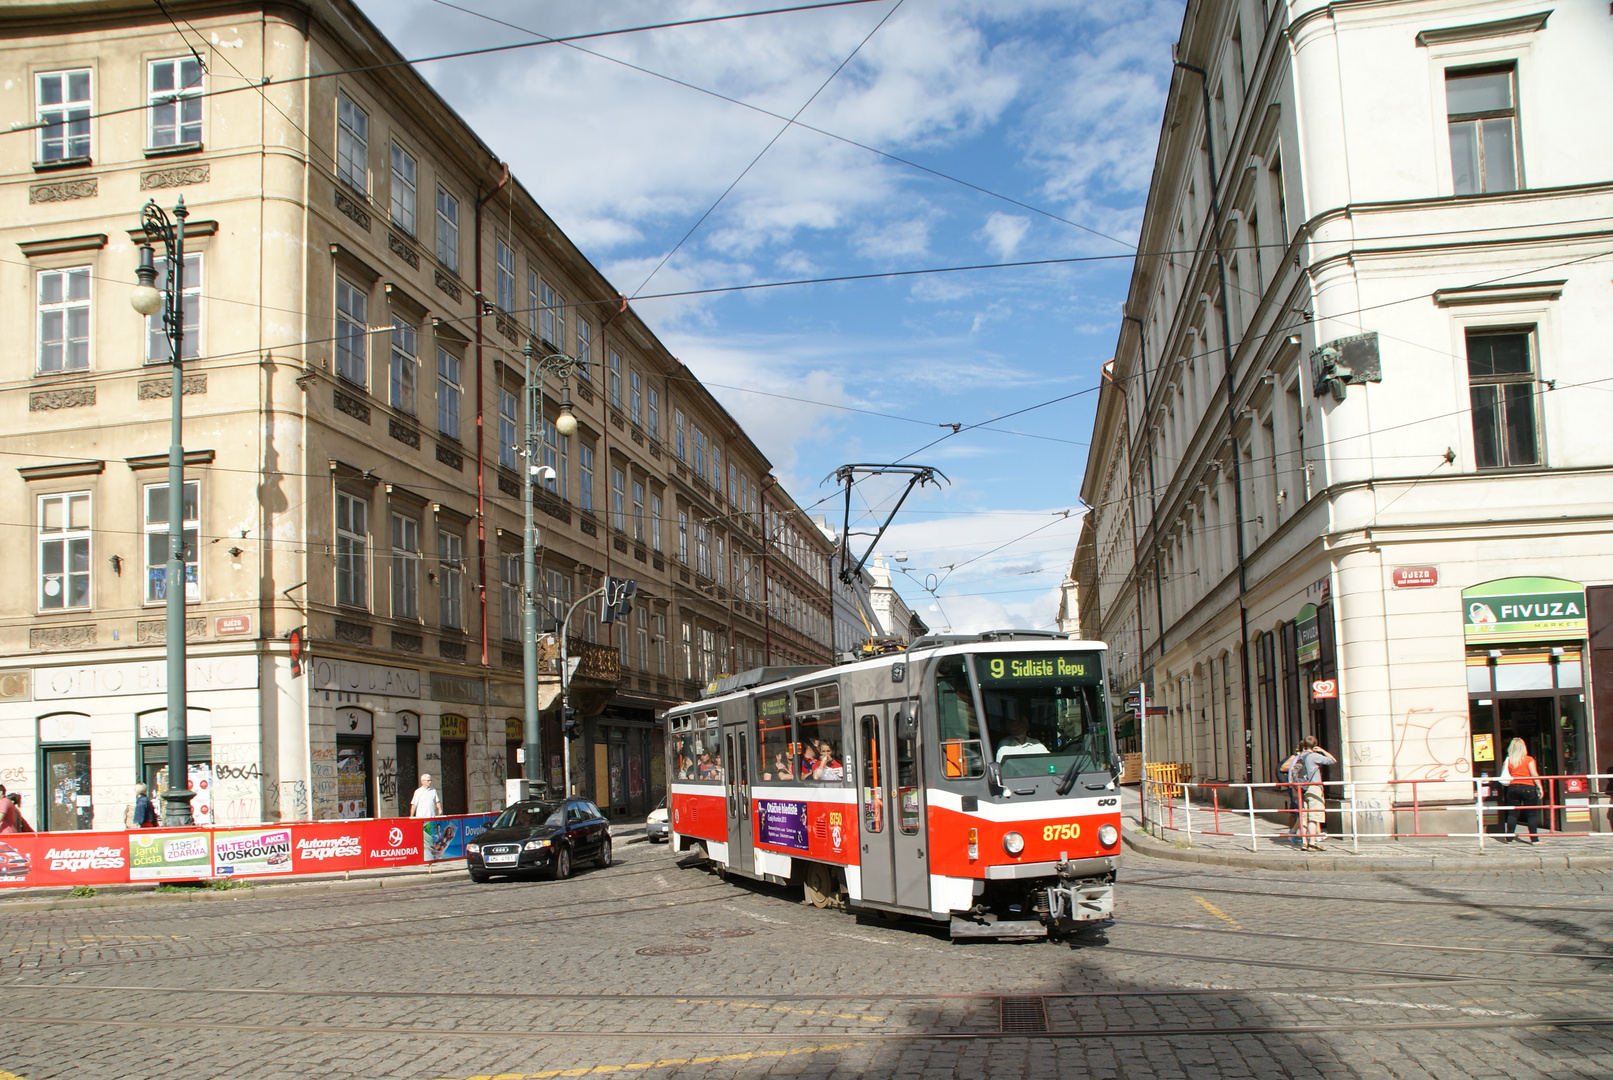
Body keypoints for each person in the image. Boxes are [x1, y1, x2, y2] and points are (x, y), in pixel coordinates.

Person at [1284, 736, 1336, 850]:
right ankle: (1312, 842)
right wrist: (1322, 751)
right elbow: (1332, 760)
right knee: (1314, 816)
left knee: (1303, 816)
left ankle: (1304, 842)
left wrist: (1295, 791)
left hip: (1301, 789)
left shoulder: (1298, 757)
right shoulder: (1314, 756)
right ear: (1315, 745)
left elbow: (1292, 775)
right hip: (1313, 788)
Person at [1501, 737, 1543, 843]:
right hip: (1528, 787)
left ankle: (1509, 838)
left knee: (1512, 814)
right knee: (1531, 814)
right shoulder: (1529, 759)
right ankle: (1534, 839)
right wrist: (1540, 786)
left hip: (1513, 787)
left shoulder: (1508, 760)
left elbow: (1505, 774)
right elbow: (1534, 774)